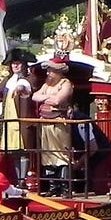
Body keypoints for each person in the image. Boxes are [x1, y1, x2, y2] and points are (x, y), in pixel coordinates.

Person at [0, 48, 37, 180]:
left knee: (24, 151)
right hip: (9, 120)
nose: (15, 66)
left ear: (24, 64)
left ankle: (24, 179)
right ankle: (18, 179)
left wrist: (21, 87)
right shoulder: (7, 80)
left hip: (23, 121)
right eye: (13, 63)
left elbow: (28, 86)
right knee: (14, 152)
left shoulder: (30, 78)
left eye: (18, 63)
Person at [32, 59, 74, 194]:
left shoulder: (65, 83)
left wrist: (45, 97)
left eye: (51, 71)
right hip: (45, 123)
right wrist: (48, 97)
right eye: (47, 71)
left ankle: (65, 187)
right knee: (47, 153)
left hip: (59, 123)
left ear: (58, 72)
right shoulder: (46, 84)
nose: (48, 73)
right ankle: (52, 186)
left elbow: (58, 100)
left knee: (62, 154)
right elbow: (34, 96)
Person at [69, 106, 111, 195]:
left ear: (69, 110)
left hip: (100, 155)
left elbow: (93, 147)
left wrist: (78, 164)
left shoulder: (81, 122)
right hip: (88, 155)